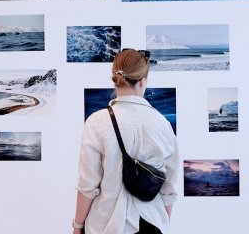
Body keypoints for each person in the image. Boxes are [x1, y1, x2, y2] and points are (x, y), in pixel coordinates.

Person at [73, 49, 181, 234]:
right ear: (142, 80)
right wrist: (163, 225)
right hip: (151, 223)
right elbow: (167, 190)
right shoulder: (162, 123)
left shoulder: (97, 122)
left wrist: (77, 227)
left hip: (105, 226)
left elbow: (88, 185)